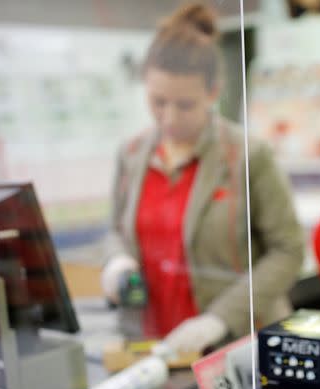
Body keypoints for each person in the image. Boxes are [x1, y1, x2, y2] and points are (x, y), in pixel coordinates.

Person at [101, 3, 304, 357]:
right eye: (157, 101)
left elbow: (288, 250)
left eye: (184, 105)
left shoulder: (248, 155)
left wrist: (220, 319)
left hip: (236, 344)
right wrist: (117, 261)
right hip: (154, 344)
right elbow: (117, 229)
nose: (169, 117)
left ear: (212, 93)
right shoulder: (131, 154)